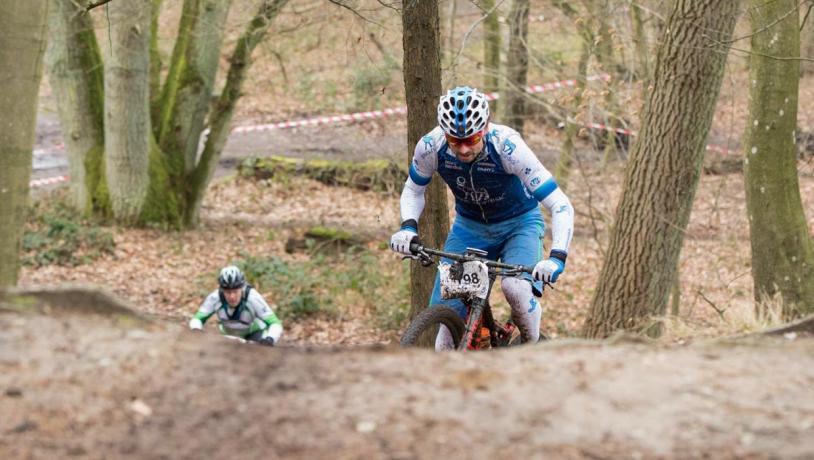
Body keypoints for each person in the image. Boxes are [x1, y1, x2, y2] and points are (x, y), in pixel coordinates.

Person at [390, 86, 574, 349]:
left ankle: (531, 346)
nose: (463, 149)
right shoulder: (431, 146)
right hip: (470, 227)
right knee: (446, 327)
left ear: (485, 128)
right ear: (445, 134)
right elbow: (412, 189)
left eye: (472, 139)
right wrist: (408, 227)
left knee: (515, 289)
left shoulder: (508, 147)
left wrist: (557, 257)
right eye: (455, 141)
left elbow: (560, 204)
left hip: (519, 224)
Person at [188, 265, 283, 346]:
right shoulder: (215, 298)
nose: (232, 296)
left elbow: (275, 323)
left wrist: (270, 339)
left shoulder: (253, 298)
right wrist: (196, 330)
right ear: (222, 290)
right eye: (228, 292)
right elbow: (197, 319)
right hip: (228, 336)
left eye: (235, 291)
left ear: (241, 288)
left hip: (254, 335)